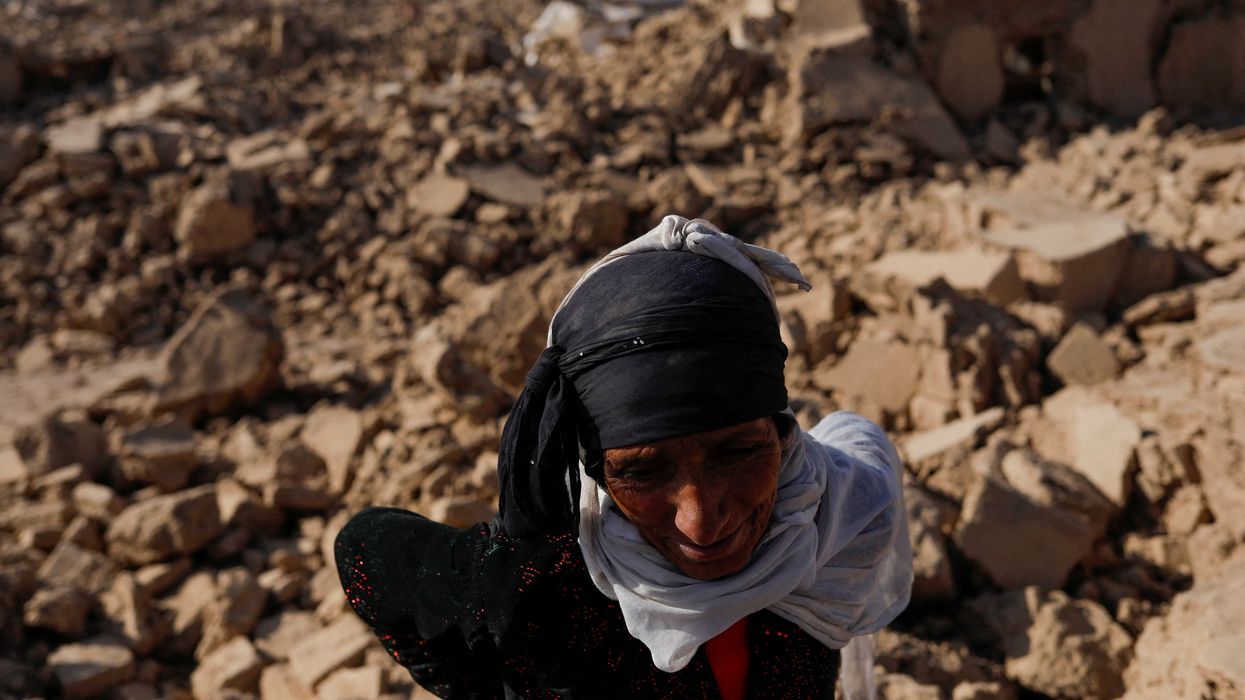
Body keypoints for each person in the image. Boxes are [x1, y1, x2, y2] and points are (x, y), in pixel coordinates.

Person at [335, 215, 913, 699]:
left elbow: (865, 451)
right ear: (596, 468)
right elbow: (362, 547)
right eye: (641, 470)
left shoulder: (835, 516)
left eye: (737, 452)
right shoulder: (557, 587)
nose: (700, 519)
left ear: (782, 435)